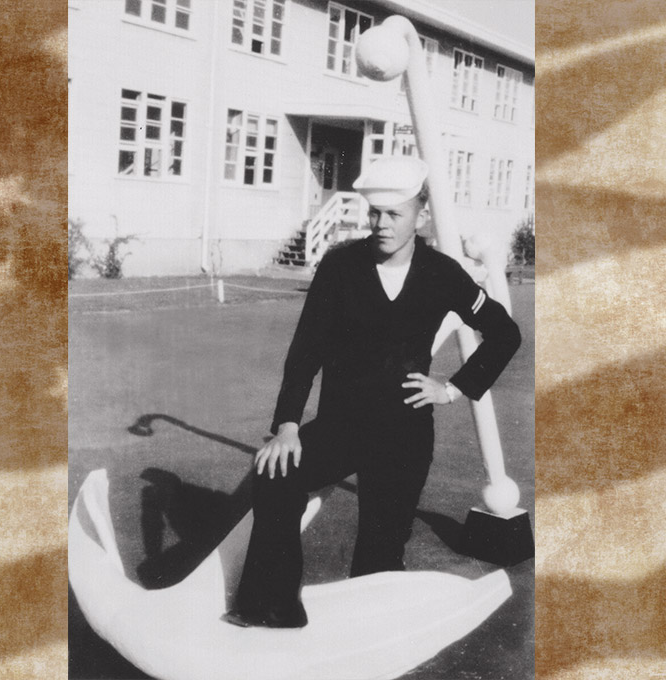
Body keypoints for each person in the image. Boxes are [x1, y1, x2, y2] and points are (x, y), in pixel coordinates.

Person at [223, 156, 521, 629]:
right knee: (276, 477)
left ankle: (370, 633)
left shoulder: (442, 273)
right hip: (342, 425)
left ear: (420, 214)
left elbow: (505, 333)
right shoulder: (341, 265)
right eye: (374, 213)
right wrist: (287, 426)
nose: (381, 224)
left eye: (394, 214)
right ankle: (273, 606)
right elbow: (306, 351)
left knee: (378, 557)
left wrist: (452, 389)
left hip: (404, 435)